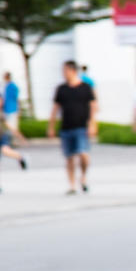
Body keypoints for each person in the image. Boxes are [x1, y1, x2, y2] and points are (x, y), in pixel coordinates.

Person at [47, 60, 97, 195]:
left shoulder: (86, 87)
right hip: (66, 127)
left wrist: (92, 124)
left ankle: (83, 177)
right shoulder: (61, 89)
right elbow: (55, 108)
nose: (64, 73)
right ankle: (72, 185)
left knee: (83, 154)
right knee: (69, 157)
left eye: (66, 70)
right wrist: (51, 126)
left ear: (73, 71)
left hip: (82, 126)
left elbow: (93, 107)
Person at [1, 72, 24, 143]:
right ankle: (11, 141)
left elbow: (16, 98)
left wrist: (19, 109)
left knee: (12, 126)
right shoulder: (6, 86)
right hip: (6, 109)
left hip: (12, 109)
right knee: (8, 126)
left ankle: (17, 140)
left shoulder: (12, 86)